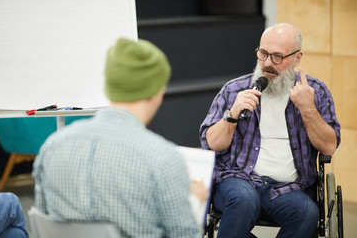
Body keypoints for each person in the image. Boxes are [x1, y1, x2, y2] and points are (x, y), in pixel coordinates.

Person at [33, 38, 208, 238]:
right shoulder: (163, 159)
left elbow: (44, 221)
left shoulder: (52, 146)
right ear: (156, 91)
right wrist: (194, 201)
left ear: (109, 86)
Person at [199, 23, 341, 238]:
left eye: (277, 57)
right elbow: (212, 144)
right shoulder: (234, 89)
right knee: (243, 200)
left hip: (290, 188)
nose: (267, 63)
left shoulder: (315, 92)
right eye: (263, 53)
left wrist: (308, 108)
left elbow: (329, 146)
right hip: (238, 179)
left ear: (297, 57)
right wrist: (232, 114)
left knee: (307, 212)